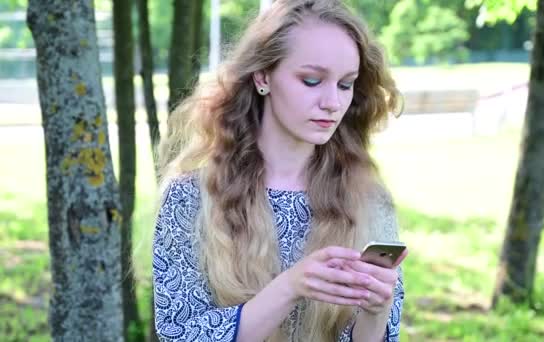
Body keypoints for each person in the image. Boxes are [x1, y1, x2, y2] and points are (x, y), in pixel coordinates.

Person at [152, 0, 407, 341]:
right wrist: (291, 287)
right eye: (312, 80)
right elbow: (180, 334)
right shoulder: (191, 197)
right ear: (263, 76)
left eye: (345, 85)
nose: (332, 102)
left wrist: (376, 311)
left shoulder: (368, 199)